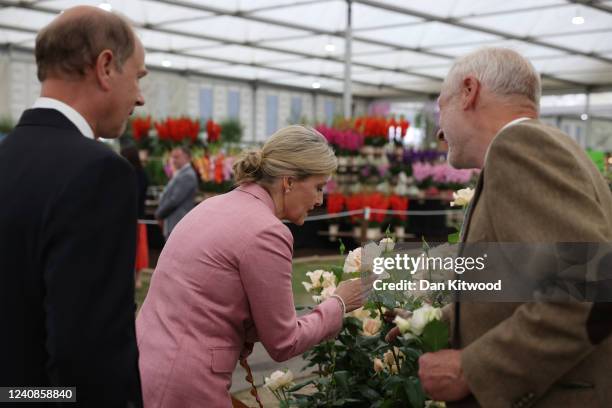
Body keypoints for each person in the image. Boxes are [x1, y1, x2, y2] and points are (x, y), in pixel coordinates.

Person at [390, 48, 612, 407]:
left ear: (468, 91)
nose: (438, 129)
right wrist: (431, 321)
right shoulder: (549, 146)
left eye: (440, 107)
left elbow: (589, 286)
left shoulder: (519, 146)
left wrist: (472, 369)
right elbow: (526, 281)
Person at [137, 126, 373, 407]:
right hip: (185, 382)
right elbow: (284, 342)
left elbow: (212, 302)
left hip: (145, 362)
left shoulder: (213, 205)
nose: (320, 200)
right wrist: (340, 303)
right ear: (289, 182)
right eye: (318, 187)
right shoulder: (268, 231)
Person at [0, 6, 147, 407]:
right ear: (105, 67)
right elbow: (85, 357)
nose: (140, 96)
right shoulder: (99, 173)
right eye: (137, 76)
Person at [121, 145, 150, 288]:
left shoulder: (129, 174)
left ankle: (135, 279)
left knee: (133, 248)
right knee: (138, 249)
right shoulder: (142, 174)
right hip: (139, 216)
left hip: (132, 217)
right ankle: (136, 279)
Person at [155, 146, 198, 240]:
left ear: (187, 157)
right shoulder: (181, 173)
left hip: (177, 223)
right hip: (173, 223)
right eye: (172, 157)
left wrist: (159, 214)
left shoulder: (187, 175)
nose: (173, 160)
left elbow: (174, 200)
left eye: (177, 157)